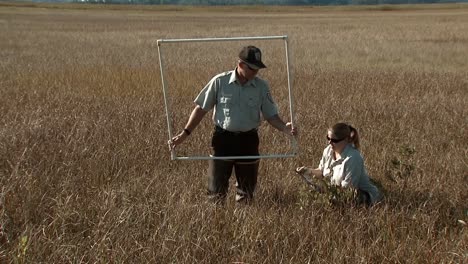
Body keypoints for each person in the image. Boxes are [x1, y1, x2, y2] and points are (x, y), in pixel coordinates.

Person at [168, 45, 297, 204]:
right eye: (253, 68)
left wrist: (285, 128)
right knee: (215, 193)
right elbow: (201, 109)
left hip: (249, 141)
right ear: (241, 65)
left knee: (246, 194)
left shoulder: (262, 87)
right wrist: (184, 134)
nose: (256, 72)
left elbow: (271, 116)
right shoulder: (219, 82)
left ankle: (243, 224)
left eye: (258, 69)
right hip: (223, 140)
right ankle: (217, 224)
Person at [296, 123, 383, 206]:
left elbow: (348, 190)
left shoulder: (353, 158)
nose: (330, 142)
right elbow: (321, 172)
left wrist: (324, 193)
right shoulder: (328, 151)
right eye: (328, 138)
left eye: (334, 140)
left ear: (346, 140)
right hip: (335, 192)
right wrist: (307, 171)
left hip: (362, 195)